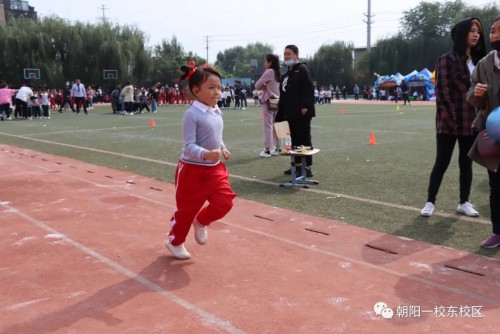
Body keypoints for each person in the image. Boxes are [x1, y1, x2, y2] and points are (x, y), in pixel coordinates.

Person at [165, 61, 236, 260]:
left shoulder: (216, 110)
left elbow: (216, 135)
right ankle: (175, 242)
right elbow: (189, 146)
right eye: (211, 88)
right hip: (191, 171)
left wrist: (222, 147)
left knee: (224, 202)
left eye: (219, 88)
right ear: (196, 90)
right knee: (186, 211)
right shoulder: (191, 114)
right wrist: (205, 153)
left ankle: (202, 221)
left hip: (214, 169)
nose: (217, 92)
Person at [420, 17, 486, 217]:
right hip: (449, 120)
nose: (476, 34)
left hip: (471, 121)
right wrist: (451, 119)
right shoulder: (447, 59)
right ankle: (430, 201)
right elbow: (443, 92)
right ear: (461, 33)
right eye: (472, 30)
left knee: (466, 163)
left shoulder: (480, 62)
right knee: (442, 161)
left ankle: (464, 202)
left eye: (478, 32)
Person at [466, 16, 500, 248]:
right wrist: (477, 92)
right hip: (493, 134)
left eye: (499, 31)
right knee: (496, 186)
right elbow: (472, 99)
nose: (495, 35)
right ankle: (498, 232)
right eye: (492, 31)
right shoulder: (484, 64)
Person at [275, 44, 316, 177]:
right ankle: (296, 166)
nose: (286, 56)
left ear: (296, 55)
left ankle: (307, 167)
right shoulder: (287, 73)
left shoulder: (302, 69)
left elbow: (308, 89)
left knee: (304, 138)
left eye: (289, 54)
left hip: (301, 112)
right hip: (289, 112)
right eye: (285, 54)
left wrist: (305, 106)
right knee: (293, 140)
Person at [255, 53, 281, 158]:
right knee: (275, 125)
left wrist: (264, 86)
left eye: (265, 61)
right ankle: (278, 148)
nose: (264, 63)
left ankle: (267, 150)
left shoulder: (269, 71)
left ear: (270, 62)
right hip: (278, 100)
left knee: (268, 125)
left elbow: (257, 85)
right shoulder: (278, 72)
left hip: (269, 100)